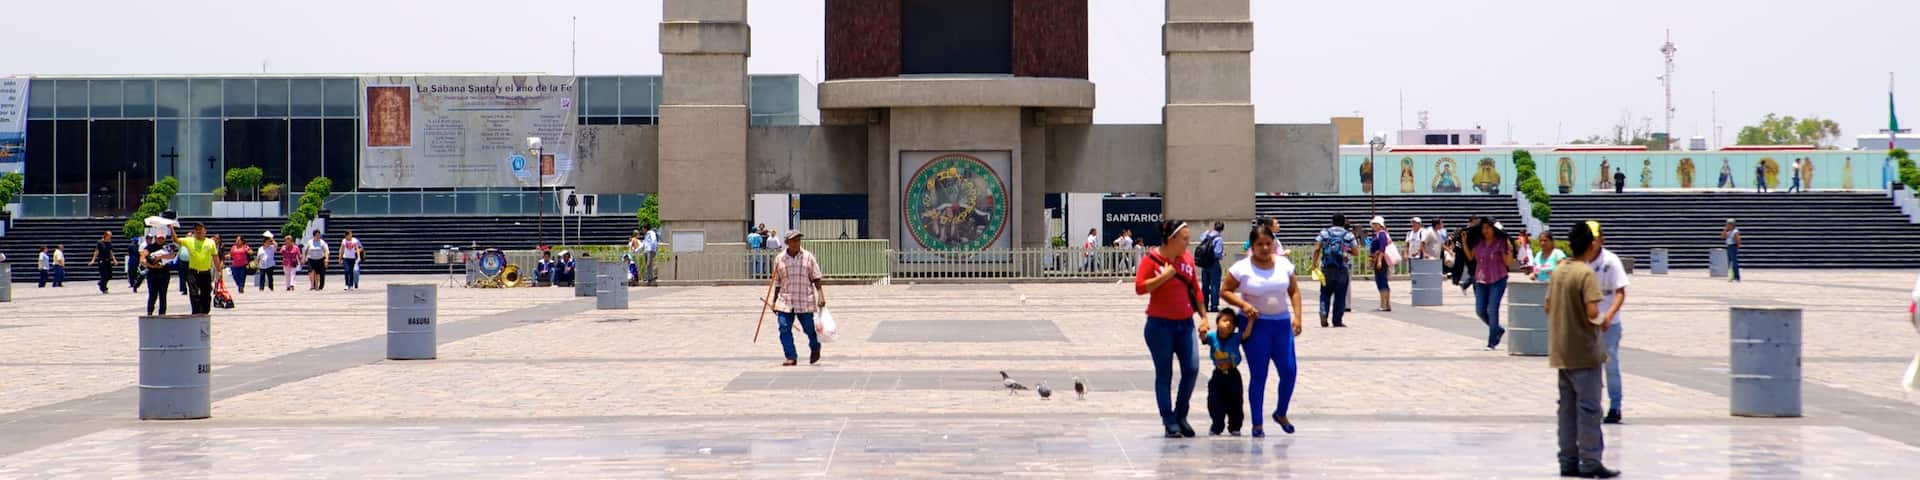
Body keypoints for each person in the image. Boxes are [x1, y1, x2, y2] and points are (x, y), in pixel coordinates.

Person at [1544, 220, 1619, 478]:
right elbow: (1592, 312)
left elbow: (1547, 306)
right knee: (1589, 409)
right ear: (1589, 245)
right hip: (1584, 353)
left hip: (1561, 351)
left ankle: (1567, 460)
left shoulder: (1559, 271)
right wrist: (1604, 320)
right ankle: (1590, 461)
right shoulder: (1585, 274)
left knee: (1566, 409)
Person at [1220, 223, 1304, 437]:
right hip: (1256, 327)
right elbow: (1225, 291)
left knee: (1289, 370)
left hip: (1282, 325)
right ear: (1253, 246)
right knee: (1259, 375)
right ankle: (1257, 423)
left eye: (1268, 243)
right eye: (1260, 245)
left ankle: (1281, 412)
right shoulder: (1242, 268)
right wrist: (1244, 305)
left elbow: (1293, 291)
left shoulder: (1284, 264)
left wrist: (1297, 316)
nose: (1265, 248)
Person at [1134, 219, 1204, 438]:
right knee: (1164, 373)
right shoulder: (1151, 259)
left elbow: (1195, 289)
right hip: (1159, 325)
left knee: (1191, 369)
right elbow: (1140, 288)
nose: (1188, 242)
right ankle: (1168, 420)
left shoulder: (1187, 259)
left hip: (1185, 324)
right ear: (1171, 239)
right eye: (1184, 238)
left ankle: (1181, 414)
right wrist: (1164, 277)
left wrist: (1204, 317)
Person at [771, 230, 827, 367]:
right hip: (785, 300)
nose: (797, 243)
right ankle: (791, 356)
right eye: (793, 241)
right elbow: (777, 282)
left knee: (809, 329)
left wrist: (821, 295)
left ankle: (815, 348)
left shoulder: (808, 257)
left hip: (804, 300)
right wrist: (774, 301)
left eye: (798, 240)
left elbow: (816, 278)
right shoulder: (779, 259)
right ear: (786, 243)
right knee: (784, 328)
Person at [1592, 243, 1631, 424]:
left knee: (1611, 365)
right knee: (1589, 368)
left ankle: (1615, 406)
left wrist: (1608, 316)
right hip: (1586, 324)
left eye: (1594, 238)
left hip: (1610, 324)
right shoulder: (1581, 261)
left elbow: (1620, 292)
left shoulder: (1611, 260)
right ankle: (1592, 405)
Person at [1465, 217, 1518, 350]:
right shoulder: (1479, 243)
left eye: (1488, 228)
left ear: (1494, 229)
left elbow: (1508, 263)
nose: (1486, 231)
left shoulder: (1501, 242)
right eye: (1483, 228)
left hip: (1498, 279)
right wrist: (1465, 243)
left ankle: (1492, 342)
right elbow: (1471, 257)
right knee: (1480, 310)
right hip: (1481, 279)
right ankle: (1498, 329)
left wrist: (1510, 250)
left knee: (1492, 309)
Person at [1205, 308, 1245, 436]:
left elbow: (1246, 334)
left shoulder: (1236, 337)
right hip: (1218, 375)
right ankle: (1217, 425)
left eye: (1232, 323)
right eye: (1225, 320)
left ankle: (1235, 426)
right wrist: (1202, 330)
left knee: (1236, 402)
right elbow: (1203, 338)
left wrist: (1251, 321)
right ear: (1217, 323)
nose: (1228, 324)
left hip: (1233, 374)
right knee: (1214, 401)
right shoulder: (1212, 336)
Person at [1312, 214, 1357, 328]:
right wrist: (1345, 250)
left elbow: (1317, 248)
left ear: (1332, 222)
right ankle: (1337, 321)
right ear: (1343, 222)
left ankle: (1323, 313)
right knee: (1340, 296)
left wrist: (1314, 264)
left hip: (1326, 268)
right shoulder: (1348, 235)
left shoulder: (1324, 233)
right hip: (1342, 268)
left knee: (1325, 293)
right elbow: (1356, 252)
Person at [175, 224, 221, 314]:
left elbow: (215, 257)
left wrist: (219, 271)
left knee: (206, 293)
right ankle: (196, 312)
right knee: (193, 293)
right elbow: (175, 240)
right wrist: (171, 228)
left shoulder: (210, 242)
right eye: (196, 230)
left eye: (200, 229)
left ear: (205, 231)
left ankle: (204, 311)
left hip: (205, 272)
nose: (198, 231)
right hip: (193, 271)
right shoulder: (189, 240)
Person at [142, 235, 177, 315]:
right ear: (156, 238)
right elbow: (143, 260)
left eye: (162, 238)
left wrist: (161, 256)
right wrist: (153, 266)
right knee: (152, 294)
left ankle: (162, 313)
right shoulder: (149, 247)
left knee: (163, 294)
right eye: (159, 238)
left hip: (164, 273)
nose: (161, 239)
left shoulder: (167, 246)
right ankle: (150, 311)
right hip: (152, 274)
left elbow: (172, 255)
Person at [1199, 223, 1226, 312]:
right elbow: (1217, 254)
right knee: (1215, 285)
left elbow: (1200, 237)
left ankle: (1205, 305)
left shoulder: (1205, 236)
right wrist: (1222, 254)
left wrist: (1208, 231)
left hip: (1204, 263)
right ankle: (1214, 306)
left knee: (1205, 285)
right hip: (1213, 264)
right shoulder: (1219, 239)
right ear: (1222, 229)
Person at [1368, 216, 1393, 312]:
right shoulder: (1379, 234)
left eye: (1375, 224)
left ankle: (1384, 304)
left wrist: (1379, 260)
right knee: (1382, 282)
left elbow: (1382, 248)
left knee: (1381, 282)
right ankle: (1386, 304)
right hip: (1379, 259)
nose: (1373, 226)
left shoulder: (1381, 234)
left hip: (1381, 260)